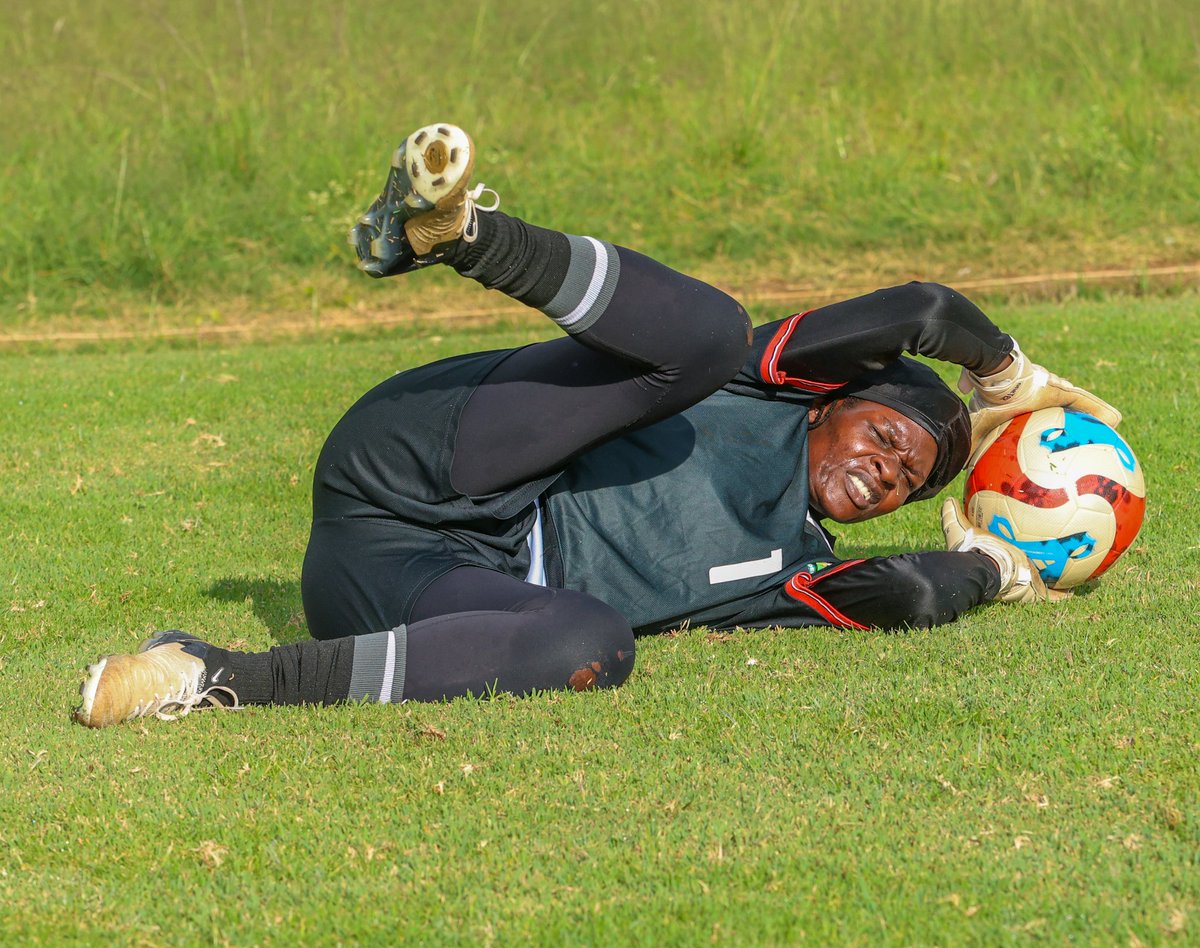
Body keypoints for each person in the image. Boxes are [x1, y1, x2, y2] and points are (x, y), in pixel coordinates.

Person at [74, 123, 1120, 728]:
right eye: (884, 439)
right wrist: (1003, 374)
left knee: (595, 644)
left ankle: (211, 674)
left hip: (396, 590)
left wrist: (999, 568)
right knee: (708, 329)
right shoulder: (764, 385)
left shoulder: (797, 571)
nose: (883, 475)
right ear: (832, 399)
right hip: (426, 464)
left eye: (907, 483)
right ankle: (450, 232)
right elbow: (924, 310)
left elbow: (905, 587)